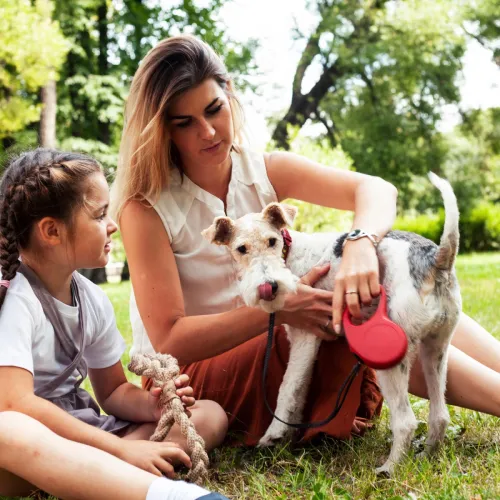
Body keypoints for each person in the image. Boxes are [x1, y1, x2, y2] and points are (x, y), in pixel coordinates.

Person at [113, 35, 500, 446]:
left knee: (392, 278)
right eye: (184, 122)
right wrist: (281, 308)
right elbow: (171, 339)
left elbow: (375, 189)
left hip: (279, 336)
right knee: (356, 312)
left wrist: (361, 243)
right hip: (193, 376)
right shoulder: (145, 207)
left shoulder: (263, 168)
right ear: (161, 128)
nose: (208, 132)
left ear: (229, 94)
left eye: (214, 110)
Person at [0, 148, 228, 499]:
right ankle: (137, 482)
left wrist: (154, 406)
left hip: (75, 433)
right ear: (51, 231)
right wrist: (117, 447)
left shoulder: (91, 297)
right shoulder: (15, 297)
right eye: (99, 215)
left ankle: (86, 473)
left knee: (209, 416)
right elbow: (15, 405)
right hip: (21, 437)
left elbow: (111, 392)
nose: (113, 225)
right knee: (8, 431)